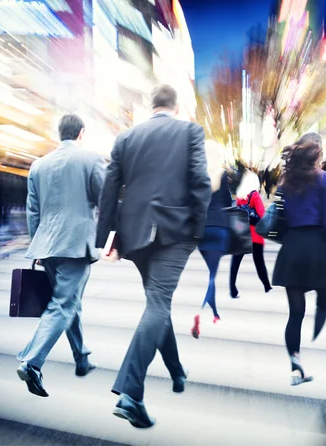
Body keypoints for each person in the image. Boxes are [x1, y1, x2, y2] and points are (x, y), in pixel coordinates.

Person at [96, 85, 211, 429]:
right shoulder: (190, 131)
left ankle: (176, 371)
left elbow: (110, 190)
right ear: (175, 107)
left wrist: (106, 239)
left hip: (134, 235)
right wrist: (199, 231)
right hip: (174, 231)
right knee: (158, 304)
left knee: (156, 304)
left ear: (151, 105)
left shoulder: (125, 138)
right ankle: (130, 394)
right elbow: (200, 182)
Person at [17, 114, 104, 397]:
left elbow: (33, 211)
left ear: (60, 134)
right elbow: (104, 199)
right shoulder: (91, 160)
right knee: (63, 305)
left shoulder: (38, 165)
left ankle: (81, 358)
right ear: (81, 133)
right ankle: (32, 361)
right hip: (76, 245)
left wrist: (38, 246)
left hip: (48, 245)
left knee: (68, 301)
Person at [272, 133, 326, 386]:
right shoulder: (323, 179)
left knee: (295, 313)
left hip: (291, 248)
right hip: (315, 247)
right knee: (324, 289)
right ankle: (320, 318)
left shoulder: (285, 181)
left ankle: (295, 365)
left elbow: (279, 217)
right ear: (317, 154)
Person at [191, 142, 232, 338]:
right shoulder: (221, 174)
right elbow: (227, 201)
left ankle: (215, 314)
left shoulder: (196, 173)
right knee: (212, 276)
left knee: (211, 275)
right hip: (219, 226)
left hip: (201, 229)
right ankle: (199, 312)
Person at [229, 170, 272, 299]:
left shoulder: (240, 196)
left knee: (235, 263)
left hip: (241, 234)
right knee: (259, 262)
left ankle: (233, 289)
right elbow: (262, 216)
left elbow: (237, 214)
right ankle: (267, 286)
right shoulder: (254, 196)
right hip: (255, 235)